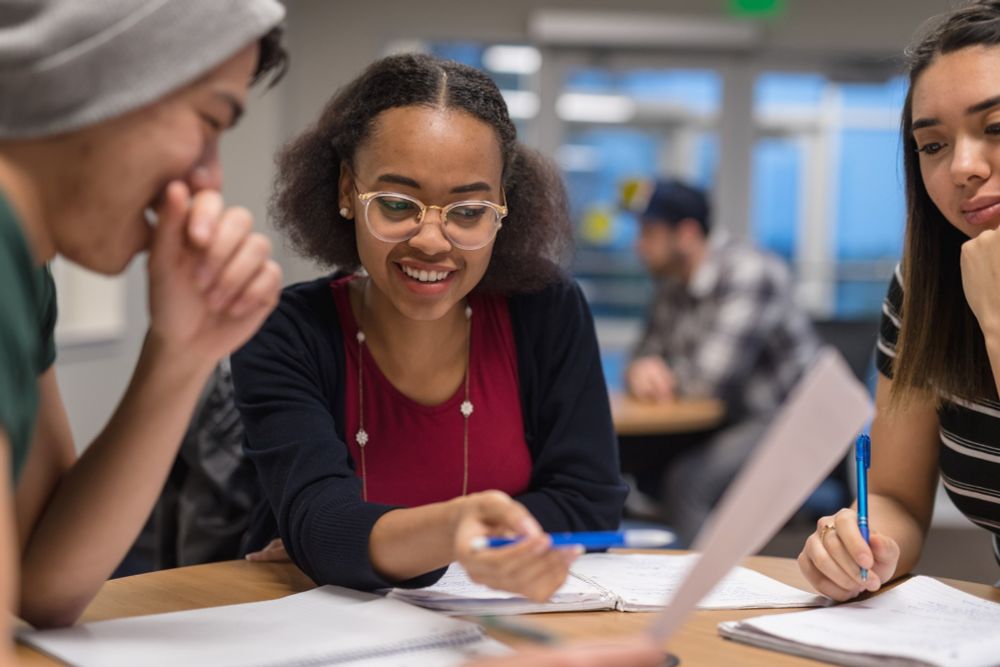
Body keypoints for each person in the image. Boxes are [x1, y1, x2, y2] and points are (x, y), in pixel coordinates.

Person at [231, 53, 628, 603]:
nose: (432, 241)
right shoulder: (285, 332)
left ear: (502, 207)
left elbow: (588, 506)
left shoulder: (545, 310)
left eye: (467, 211)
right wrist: (451, 532)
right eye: (397, 204)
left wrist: (368, 537)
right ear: (348, 190)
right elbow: (321, 527)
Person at [0, 0, 288, 654]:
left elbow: (45, 583)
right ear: (95, 74)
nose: (209, 178)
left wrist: (183, 352)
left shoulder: (25, 271)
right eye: (210, 122)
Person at [798, 0, 1000, 601]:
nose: (962, 167)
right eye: (933, 146)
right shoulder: (925, 286)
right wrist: (861, 544)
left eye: (995, 128)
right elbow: (898, 496)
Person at [623, 178, 819, 544]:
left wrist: (658, 374)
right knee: (617, 462)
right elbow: (641, 358)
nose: (639, 243)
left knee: (687, 482)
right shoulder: (673, 283)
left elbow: (708, 381)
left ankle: (709, 594)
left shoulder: (749, 272)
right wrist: (640, 370)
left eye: (649, 231)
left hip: (787, 420)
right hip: (727, 419)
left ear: (687, 234)